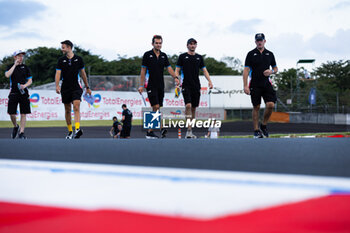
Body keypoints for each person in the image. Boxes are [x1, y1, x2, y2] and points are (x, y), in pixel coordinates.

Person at [138, 35, 180, 139]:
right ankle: (160, 128)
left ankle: (150, 131)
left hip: (161, 85)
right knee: (155, 106)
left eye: (160, 43)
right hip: (150, 84)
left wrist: (175, 77)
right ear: (152, 44)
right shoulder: (147, 55)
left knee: (157, 108)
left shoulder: (164, 56)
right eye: (156, 43)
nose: (158, 44)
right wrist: (141, 85)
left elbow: (169, 68)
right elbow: (143, 71)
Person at [175, 38, 213, 138]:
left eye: (194, 44)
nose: (192, 46)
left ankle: (190, 130)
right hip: (185, 85)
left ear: (196, 45)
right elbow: (177, 70)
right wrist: (176, 78)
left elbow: (204, 71)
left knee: (193, 108)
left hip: (196, 85)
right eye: (191, 44)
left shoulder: (199, 57)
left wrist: (209, 81)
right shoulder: (182, 56)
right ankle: (188, 130)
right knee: (188, 105)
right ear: (187, 45)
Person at [243, 33, 278, 138]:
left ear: (264, 41)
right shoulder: (250, 54)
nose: (259, 42)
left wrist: (271, 71)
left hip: (266, 83)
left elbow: (276, 69)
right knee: (256, 106)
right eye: (257, 40)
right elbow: (246, 70)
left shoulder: (270, 54)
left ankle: (263, 125)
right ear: (255, 42)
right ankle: (256, 130)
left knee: (271, 104)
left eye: (261, 40)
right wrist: (245, 85)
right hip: (254, 83)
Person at [55, 40, 92, 139]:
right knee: (67, 110)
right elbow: (58, 74)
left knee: (76, 106)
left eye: (63, 47)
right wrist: (57, 85)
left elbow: (83, 74)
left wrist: (87, 87)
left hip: (76, 87)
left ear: (69, 47)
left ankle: (77, 129)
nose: (62, 49)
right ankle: (70, 131)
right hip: (65, 88)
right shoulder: (61, 60)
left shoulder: (79, 59)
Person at [5, 50, 33, 139]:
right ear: (15, 57)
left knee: (23, 113)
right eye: (19, 56)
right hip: (13, 92)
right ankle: (15, 126)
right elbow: (7, 75)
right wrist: (15, 65)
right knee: (11, 113)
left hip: (23, 93)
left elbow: (30, 81)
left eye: (22, 56)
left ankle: (21, 132)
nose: (21, 57)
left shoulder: (26, 67)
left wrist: (24, 85)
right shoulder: (10, 67)